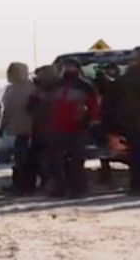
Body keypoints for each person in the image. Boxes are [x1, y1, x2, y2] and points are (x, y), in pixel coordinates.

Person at [44, 58, 99, 198]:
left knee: (76, 161)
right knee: (55, 161)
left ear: (77, 68)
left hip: (76, 127)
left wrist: (89, 120)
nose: (68, 69)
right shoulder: (54, 85)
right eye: (65, 67)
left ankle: (78, 188)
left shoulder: (85, 86)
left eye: (71, 66)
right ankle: (59, 187)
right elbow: (45, 104)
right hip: (55, 127)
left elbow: (94, 106)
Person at [112, 46, 140, 195]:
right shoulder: (131, 77)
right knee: (135, 155)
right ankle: (138, 183)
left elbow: (139, 102)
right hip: (131, 122)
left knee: (139, 155)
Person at [0, 62, 36, 194]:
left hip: (32, 130)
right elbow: (6, 111)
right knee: (19, 158)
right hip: (17, 130)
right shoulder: (10, 90)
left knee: (27, 159)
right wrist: (2, 126)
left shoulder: (33, 88)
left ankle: (27, 185)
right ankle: (20, 184)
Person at [26, 64, 60, 192]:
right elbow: (29, 108)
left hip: (50, 128)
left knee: (47, 158)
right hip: (42, 128)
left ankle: (50, 182)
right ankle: (47, 182)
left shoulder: (52, 89)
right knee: (40, 157)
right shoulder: (38, 90)